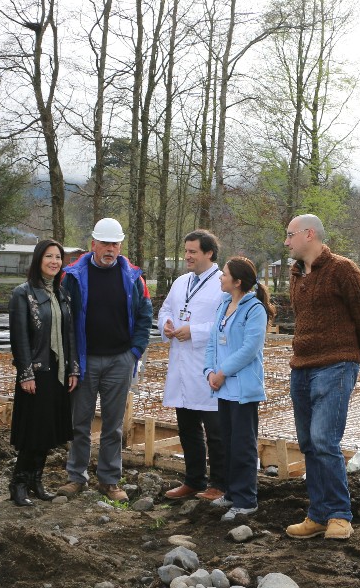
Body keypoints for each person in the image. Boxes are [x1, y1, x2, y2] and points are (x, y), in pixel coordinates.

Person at [283, 214, 360, 541]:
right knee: (309, 443)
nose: (287, 241)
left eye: (290, 235)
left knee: (325, 440)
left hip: (336, 365)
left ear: (309, 234)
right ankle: (318, 514)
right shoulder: (296, 274)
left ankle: (340, 515)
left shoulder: (343, 270)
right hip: (302, 367)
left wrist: (353, 358)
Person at [58, 218, 152, 501]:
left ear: (120, 245)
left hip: (119, 360)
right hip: (85, 360)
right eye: (105, 244)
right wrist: (71, 359)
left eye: (115, 244)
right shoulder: (71, 277)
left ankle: (110, 480)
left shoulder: (134, 278)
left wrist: (134, 351)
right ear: (93, 245)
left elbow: (145, 316)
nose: (110, 249)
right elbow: (64, 319)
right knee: (80, 422)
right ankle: (76, 477)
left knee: (113, 424)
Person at [7, 239, 79, 507]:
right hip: (36, 373)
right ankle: (19, 483)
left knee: (48, 431)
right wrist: (25, 374)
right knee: (34, 431)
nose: (54, 262)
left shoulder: (62, 293)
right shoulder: (22, 294)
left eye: (58, 257)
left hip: (58, 372)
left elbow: (69, 333)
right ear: (38, 260)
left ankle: (36, 481)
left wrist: (73, 368)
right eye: (49, 256)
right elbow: (20, 338)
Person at [159, 230, 225, 501]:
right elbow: (165, 308)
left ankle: (220, 483)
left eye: (193, 252)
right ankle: (194, 479)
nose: (187, 256)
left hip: (206, 366)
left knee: (216, 430)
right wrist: (167, 324)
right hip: (181, 364)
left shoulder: (223, 282)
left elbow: (226, 323)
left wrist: (194, 331)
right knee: (187, 427)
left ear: (208, 253)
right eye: (186, 251)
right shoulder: (181, 281)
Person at [204, 257, 271, 522]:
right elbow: (213, 342)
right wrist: (209, 371)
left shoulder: (254, 310)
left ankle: (246, 499)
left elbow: (249, 350)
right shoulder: (223, 304)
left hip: (242, 389)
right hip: (223, 388)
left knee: (242, 446)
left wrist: (222, 372)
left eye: (225, 274)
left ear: (238, 281)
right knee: (228, 443)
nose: (220, 276)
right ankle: (232, 493)